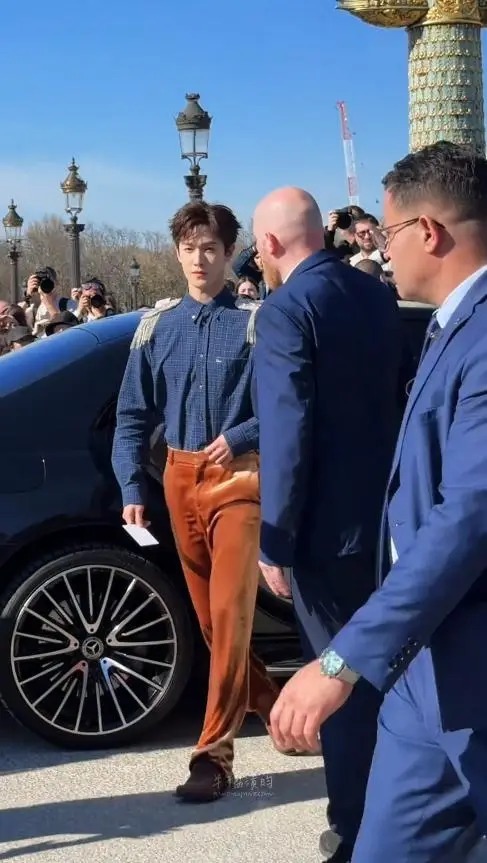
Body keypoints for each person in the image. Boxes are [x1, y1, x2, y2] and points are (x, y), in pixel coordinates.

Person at [269, 142, 487, 862]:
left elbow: (468, 517)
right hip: (422, 672)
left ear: (428, 231)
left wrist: (341, 661)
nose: (381, 250)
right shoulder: (447, 322)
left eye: (388, 233)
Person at [252, 187, 404, 863]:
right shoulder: (374, 294)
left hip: (324, 532)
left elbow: (287, 431)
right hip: (387, 518)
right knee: (386, 676)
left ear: (270, 244)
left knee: (338, 682)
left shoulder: (287, 309)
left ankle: (355, 829)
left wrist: (275, 540)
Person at [112, 201, 280, 803]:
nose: (200, 259)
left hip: (238, 479)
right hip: (179, 479)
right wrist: (133, 487)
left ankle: (213, 756)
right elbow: (132, 416)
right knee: (211, 623)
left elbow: (286, 405)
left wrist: (242, 435)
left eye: (211, 248)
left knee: (231, 617)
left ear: (230, 253)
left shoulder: (257, 324)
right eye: (190, 248)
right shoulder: (155, 328)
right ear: (177, 253)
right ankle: (276, 707)